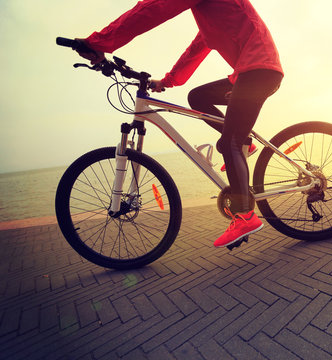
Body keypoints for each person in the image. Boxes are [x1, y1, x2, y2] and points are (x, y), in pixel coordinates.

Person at [77, 0, 283, 248]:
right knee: (198, 98)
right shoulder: (210, 16)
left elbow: (153, 8)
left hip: (258, 71)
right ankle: (244, 143)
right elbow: (197, 47)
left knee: (229, 142)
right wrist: (167, 81)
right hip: (250, 73)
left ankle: (245, 216)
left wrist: (98, 42)